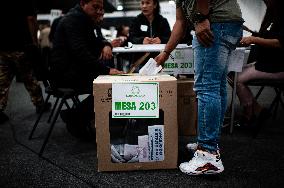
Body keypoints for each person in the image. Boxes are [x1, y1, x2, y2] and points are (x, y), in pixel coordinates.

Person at [154, 0, 243, 175]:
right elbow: (180, 22)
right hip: (228, 23)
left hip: (215, 22)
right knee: (217, 86)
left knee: (206, 87)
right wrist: (166, 52)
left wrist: (201, 18)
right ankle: (210, 142)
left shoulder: (207, 17)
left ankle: (207, 154)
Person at [50, 0, 123, 139]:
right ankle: (76, 117)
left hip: (74, 70)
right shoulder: (72, 20)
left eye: (101, 9)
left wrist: (106, 44)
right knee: (111, 86)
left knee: (112, 82)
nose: (98, 11)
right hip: (65, 75)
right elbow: (81, 52)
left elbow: (96, 42)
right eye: (95, 7)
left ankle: (76, 114)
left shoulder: (85, 19)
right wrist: (106, 70)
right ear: (83, 3)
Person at [0, 0, 50, 124]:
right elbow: (30, 19)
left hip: (3, 47)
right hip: (21, 45)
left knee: (2, 79)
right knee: (29, 76)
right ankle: (39, 104)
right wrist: (34, 42)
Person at [236, 0, 284, 126]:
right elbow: (266, 36)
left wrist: (254, 39)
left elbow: (279, 43)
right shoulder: (271, 12)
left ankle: (249, 115)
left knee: (237, 79)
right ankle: (258, 110)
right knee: (232, 73)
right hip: (267, 64)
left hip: (277, 67)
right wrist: (249, 31)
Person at [128, 0, 171, 71]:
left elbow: (169, 38)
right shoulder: (136, 21)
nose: (144, 6)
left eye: (147, 3)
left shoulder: (162, 21)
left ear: (155, 5)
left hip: (159, 60)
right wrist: (142, 40)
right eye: (142, 3)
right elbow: (131, 38)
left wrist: (161, 40)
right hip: (140, 61)